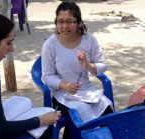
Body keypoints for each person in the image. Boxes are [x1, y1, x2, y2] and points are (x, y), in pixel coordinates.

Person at [41, 1, 113, 138]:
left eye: (70, 21)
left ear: (79, 23)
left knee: (107, 108)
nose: (64, 26)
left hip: (86, 90)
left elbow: (102, 65)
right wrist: (65, 85)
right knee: (79, 111)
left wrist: (88, 64)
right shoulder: (50, 44)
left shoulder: (89, 40)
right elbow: (47, 76)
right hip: (62, 94)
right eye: (60, 21)